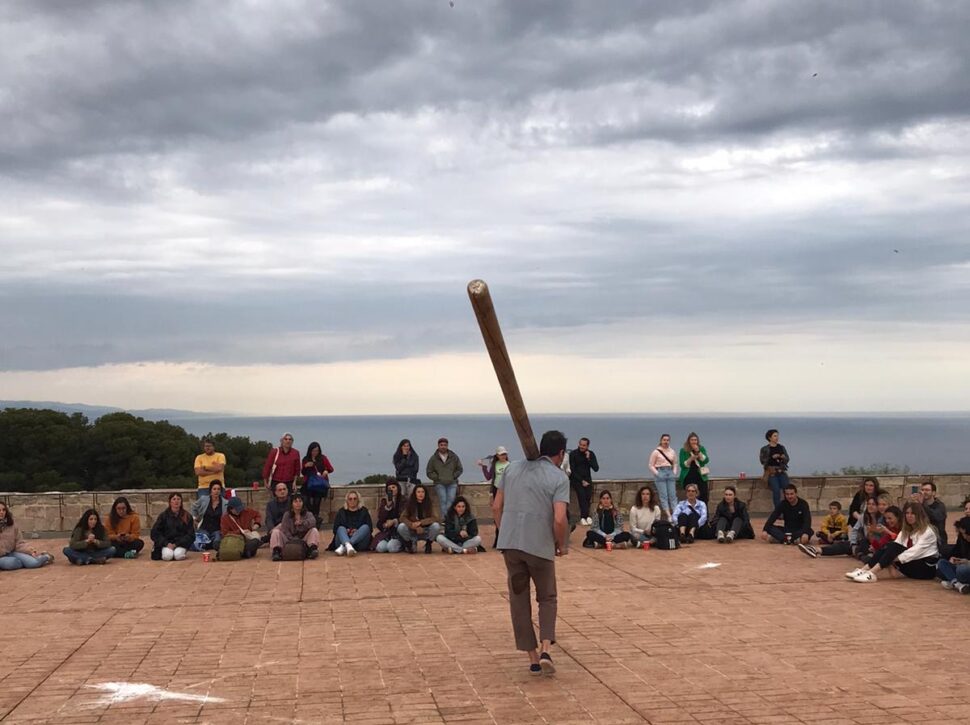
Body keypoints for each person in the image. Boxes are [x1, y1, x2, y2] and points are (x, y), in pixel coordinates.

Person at [493, 430, 570, 676]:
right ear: (561, 453)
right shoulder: (558, 477)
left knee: (519, 600)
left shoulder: (511, 469)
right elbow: (559, 518)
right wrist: (561, 544)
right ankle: (545, 647)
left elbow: (496, 507)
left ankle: (532, 658)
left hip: (511, 544)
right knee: (547, 597)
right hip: (539, 545)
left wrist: (504, 531)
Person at [847, 501, 939, 583]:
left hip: (926, 569)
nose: (909, 516)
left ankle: (871, 573)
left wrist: (888, 558)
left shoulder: (927, 531)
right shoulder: (906, 530)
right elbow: (895, 545)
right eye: (907, 513)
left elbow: (914, 552)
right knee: (891, 546)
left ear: (919, 515)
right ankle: (864, 570)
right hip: (910, 563)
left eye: (913, 513)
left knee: (892, 548)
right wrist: (887, 556)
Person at [0, 502, 53, 570]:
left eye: (4, 510)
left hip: (12, 552)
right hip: (1, 557)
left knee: (34, 563)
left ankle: (46, 556)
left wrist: (30, 551)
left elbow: (19, 543)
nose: (1, 512)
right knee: (11, 563)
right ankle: (23, 563)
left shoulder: (12, 525)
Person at [271, 494, 320, 561]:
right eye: (295, 501)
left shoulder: (308, 514)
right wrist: (292, 539)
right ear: (292, 504)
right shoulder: (287, 515)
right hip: (289, 539)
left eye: (300, 501)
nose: (298, 503)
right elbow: (284, 529)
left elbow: (313, 522)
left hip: (303, 539)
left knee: (314, 530)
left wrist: (302, 522)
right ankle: (276, 551)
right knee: (276, 531)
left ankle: (312, 549)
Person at [480, 446, 511, 548]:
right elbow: (489, 477)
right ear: (497, 455)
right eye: (501, 454)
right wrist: (483, 467)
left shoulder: (510, 465)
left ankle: (506, 539)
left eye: (505, 454)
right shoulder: (495, 465)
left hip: (507, 491)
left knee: (506, 515)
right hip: (496, 490)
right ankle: (498, 539)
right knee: (497, 515)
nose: (503, 456)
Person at [397, 484, 441, 554]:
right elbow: (402, 517)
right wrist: (412, 525)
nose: (421, 494)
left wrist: (421, 523)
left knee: (436, 526)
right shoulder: (410, 504)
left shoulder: (430, 504)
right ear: (415, 493)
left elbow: (435, 518)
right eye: (418, 492)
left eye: (422, 492)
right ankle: (409, 544)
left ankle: (428, 544)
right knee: (401, 527)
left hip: (426, 530)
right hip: (413, 530)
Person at [426, 437, 463, 521]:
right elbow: (429, 471)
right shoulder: (433, 458)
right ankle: (445, 520)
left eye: (445, 445)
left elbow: (460, 469)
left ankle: (449, 519)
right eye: (441, 445)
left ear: (447, 446)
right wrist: (437, 478)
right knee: (443, 500)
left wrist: (454, 476)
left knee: (451, 501)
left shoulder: (454, 457)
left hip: (452, 482)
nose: (443, 447)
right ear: (438, 446)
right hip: (439, 483)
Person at [150, 493, 195, 561]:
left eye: (178, 499)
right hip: (167, 543)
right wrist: (166, 543)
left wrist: (177, 544)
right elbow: (155, 532)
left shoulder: (187, 516)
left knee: (178, 556)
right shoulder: (163, 516)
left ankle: (178, 552)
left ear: (181, 501)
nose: (176, 501)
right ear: (170, 502)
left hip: (180, 544)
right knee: (167, 556)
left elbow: (191, 535)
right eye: (174, 499)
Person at [329, 490, 372, 556]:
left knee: (365, 527)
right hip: (342, 539)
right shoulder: (341, 512)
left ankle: (346, 546)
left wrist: (357, 532)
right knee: (340, 528)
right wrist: (347, 532)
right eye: (350, 499)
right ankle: (347, 545)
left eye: (355, 499)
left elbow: (370, 529)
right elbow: (335, 530)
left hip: (359, 543)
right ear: (347, 500)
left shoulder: (364, 511)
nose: (352, 501)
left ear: (358, 500)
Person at [302, 441, 334, 528]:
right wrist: (306, 466)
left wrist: (326, 471)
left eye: (316, 450)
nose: (315, 452)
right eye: (313, 451)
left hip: (319, 484)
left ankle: (315, 522)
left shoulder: (323, 458)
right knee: (306, 501)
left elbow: (331, 468)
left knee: (317, 502)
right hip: (309, 484)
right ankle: (313, 519)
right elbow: (303, 472)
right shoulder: (305, 459)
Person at [568, 437, 599, 526]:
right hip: (576, 479)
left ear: (587, 446)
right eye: (580, 444)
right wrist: (581, 481)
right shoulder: (573, 454)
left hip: (587, 479)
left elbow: (596, 468)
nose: (582, 446)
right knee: (582, 496)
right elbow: (572, 470)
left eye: (584, 445)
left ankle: (587, 517)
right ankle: (583, 517)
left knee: (588, 497)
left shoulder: (591, 454)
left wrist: (589, 459)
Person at [190, 480, 226, 551]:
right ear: (211, 490)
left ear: (221, 491)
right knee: (201, 541)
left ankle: (212, 544)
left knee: (217, 540)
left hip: (217, 529)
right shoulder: (204, 499)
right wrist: (194, 518)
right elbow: (194, 507)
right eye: (214, 489)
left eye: (218, 489)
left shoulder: (225, 503)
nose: (216, 491)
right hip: (204, 528)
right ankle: (207, 544)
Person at [648, 434, 678, 520]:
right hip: (660, 472)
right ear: (661, 440)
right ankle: (669, 516)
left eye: (668, 440)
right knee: (663, 496)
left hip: (670, 472)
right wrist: (657, 473)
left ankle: (675, 515)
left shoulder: (672, 451)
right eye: (664, 440)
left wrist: (674, 472)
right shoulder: (656, 452)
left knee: (673, 495)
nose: (666, 441)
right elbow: (651, 465)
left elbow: (675, 463)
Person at [937, 516, 970, 593]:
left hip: (965, 568)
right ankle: (958, 584)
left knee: (961, 570)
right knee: (941, 564)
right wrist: (954, 559)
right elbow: (957, 551)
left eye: (966, 534)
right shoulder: (962, 538)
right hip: (962, 566)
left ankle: (954, 581)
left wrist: (967, 562)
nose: (964, 536)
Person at [759, 429, 790, 509]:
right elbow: (762, 461)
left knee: (788, 490)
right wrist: (772, 458)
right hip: (772, 473)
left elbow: (787, 459)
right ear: (770, 438)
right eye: (775, 436)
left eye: (777, 436)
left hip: (781, 472)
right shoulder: (765, 449)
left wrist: (783, 458)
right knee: (776, 492)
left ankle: (788, 509)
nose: (777, 438)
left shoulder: (781, 447)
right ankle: (778, 511)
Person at [371, 479, 405, 553]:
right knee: (380, 548)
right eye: (389, 488)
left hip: (398, 531)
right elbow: (380, 518)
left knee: (391, 548)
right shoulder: (384, 501)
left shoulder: (404, 500)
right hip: (387, 532)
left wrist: (394, 521)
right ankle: (389, 542)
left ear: (398, 488)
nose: (392, 490)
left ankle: (403, 544)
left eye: (393, 487)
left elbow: (404, 517)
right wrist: (388, 506)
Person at [678, 432, 710, 504]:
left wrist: (698, 452)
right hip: (689, 474)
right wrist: (691, 459)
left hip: (700, 474)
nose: (694, 441)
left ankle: (704, 512)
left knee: (704, 495)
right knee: (690, 495)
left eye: (695, 440)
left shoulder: (701, 448)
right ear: (689, 441)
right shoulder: (683, 450)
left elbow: (706, 460)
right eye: (692, 440)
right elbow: (682, 464)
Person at [916, 481, 947, 550]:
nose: (924, 492)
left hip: (937, 540)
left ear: (933, 493)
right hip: (921, 538)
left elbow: (936, 517)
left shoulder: (940, 505)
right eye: (922, 490)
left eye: (927, 490)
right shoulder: (919, 505)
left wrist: (923, 503)